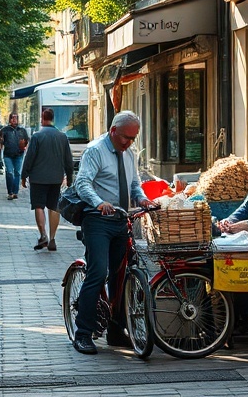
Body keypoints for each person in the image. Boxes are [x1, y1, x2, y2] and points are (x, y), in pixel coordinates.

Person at [71, 110, 152, 355]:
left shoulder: (130, 153)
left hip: (121, 220)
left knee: (121, 276)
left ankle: (116, 331)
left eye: (133, 138)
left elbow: (135, 182)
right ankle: (83, 333)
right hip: (98, 220)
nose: (128, 143)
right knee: (98, 272)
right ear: (113, 131)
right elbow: (82, 182)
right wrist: (98, 203)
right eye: (125, 137)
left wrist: (143, 199)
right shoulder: (95, 151)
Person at [21, 107, 74, 251]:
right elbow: (68, 160)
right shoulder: (62, 137)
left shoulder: (37, 136)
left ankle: (42, 234)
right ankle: (52, 238)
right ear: (53, 118)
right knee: (54, 206)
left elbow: (29, 157)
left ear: (42, 119)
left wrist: (24, 175)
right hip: (56, 178)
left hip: (38, 178)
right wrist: (70, 177)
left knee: (39, 206)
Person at [0, 113, 29, 200]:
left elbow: (26, 141)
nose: (14, 120)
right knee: (9, 172)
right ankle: (10, 192)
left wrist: (24, 145)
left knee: (17, 173)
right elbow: (0, 143)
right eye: (12, 118)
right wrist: (1, 142)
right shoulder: (4, 130)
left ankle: (15, 192)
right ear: (9, 120)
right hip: (8, 155)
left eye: (16, 118)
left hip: (19, 154)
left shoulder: (22, 130)